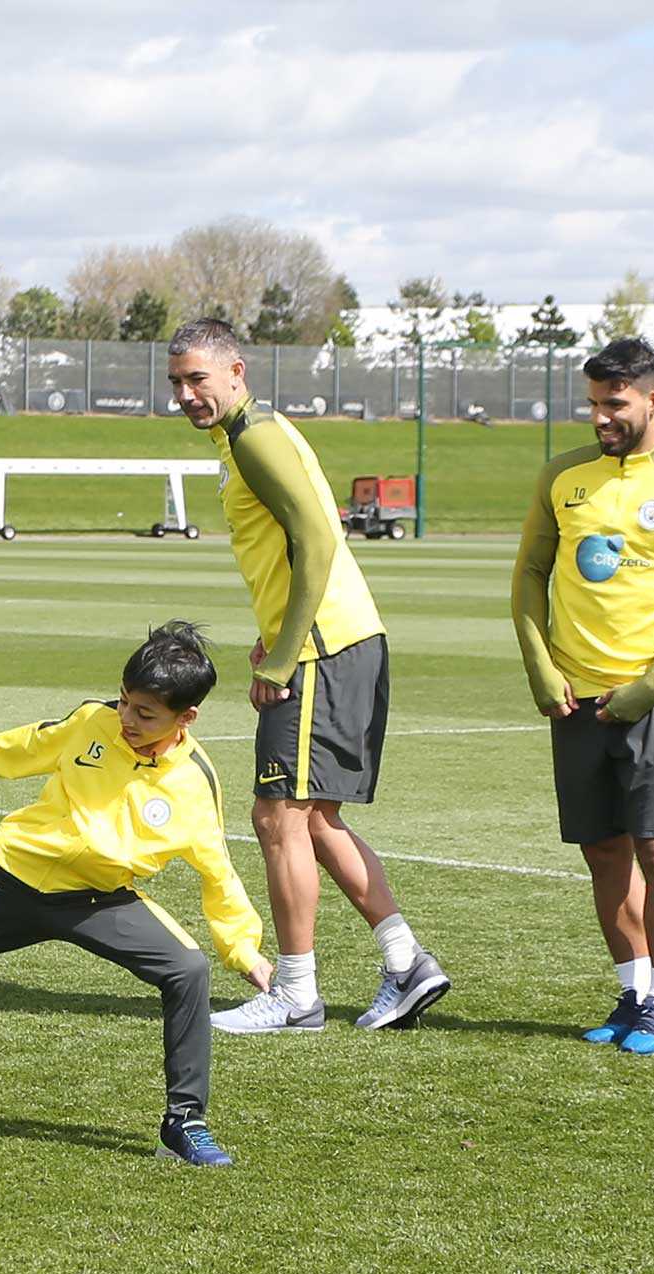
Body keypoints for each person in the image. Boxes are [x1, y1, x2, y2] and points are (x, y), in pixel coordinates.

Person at [0, 623, 268, 1166]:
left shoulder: (196, 782)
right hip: (7, 877)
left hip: (97, 900)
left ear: (187, 717)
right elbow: (33, 741)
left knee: (187, 970)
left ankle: (185, 1124)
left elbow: (216, 868)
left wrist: (242, 948)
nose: (127, 719)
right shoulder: (93, 722)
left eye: (145, 713)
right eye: (125, 702)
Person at [163, 318, 451, 1034]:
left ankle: (295, 994)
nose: (186, 394)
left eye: (198, 378)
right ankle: (405, 961)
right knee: (315, 818)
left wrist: (289, 654)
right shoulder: (248, 437)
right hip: (335, 639)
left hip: (324, 648)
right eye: (176, 382)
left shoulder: (256, 438)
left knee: (278, 815)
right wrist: (278, 636)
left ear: (238, 372)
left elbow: (320, 537)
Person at [510, 337, 654, 1055]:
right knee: (603, 853)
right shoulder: (562, 476)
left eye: (616, 403)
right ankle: (633, 993)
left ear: (653, 401)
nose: (601, 416)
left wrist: (651, 685)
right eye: (594, 402)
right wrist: (540, 668)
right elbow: (528, 579)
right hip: (574, 700)